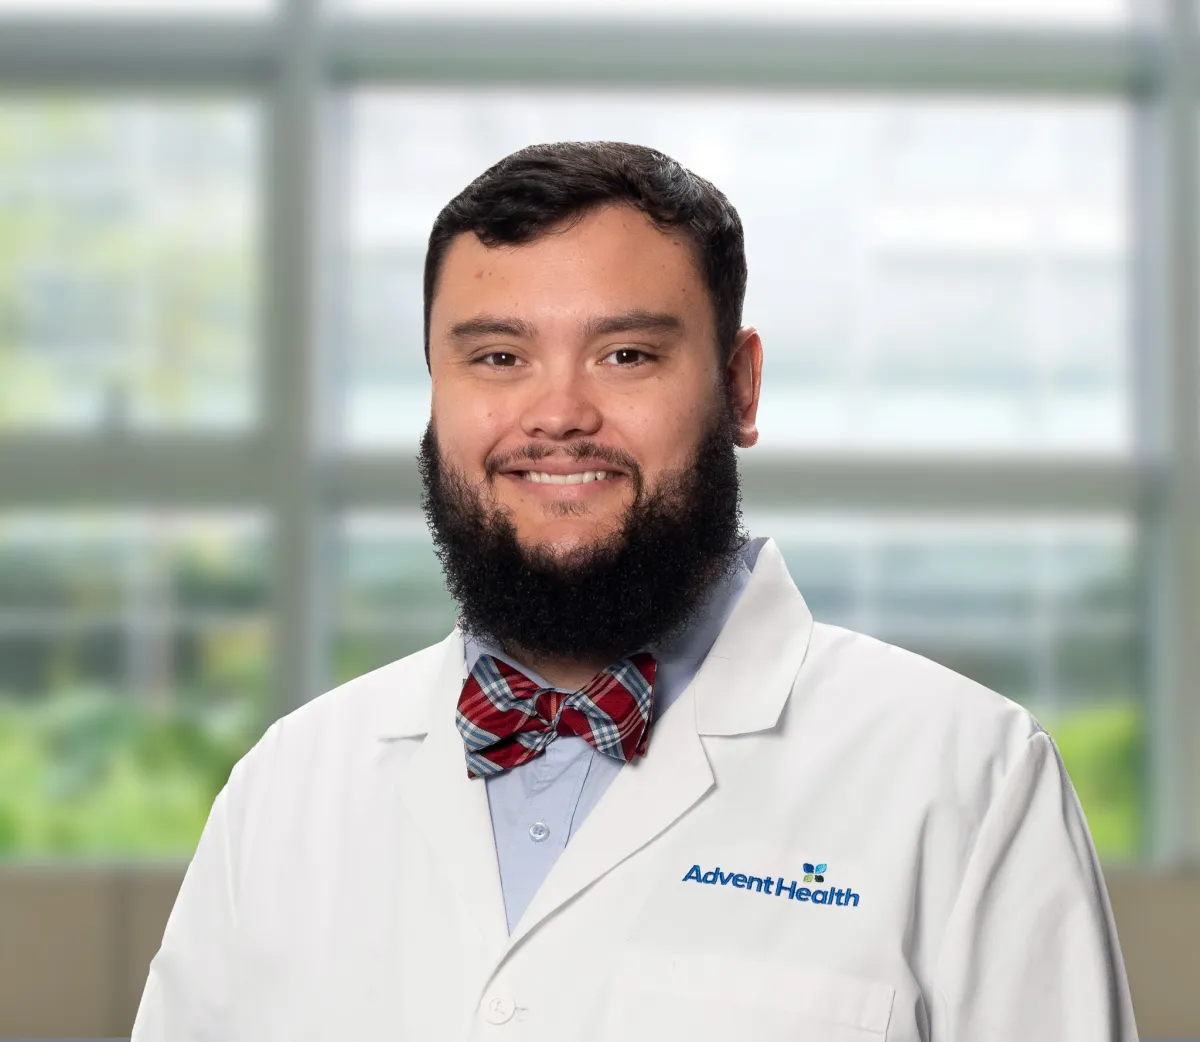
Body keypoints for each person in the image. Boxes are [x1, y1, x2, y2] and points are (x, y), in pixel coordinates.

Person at [131, 141, 1140, 1042]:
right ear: (435, 393)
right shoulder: (287, 790)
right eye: (497, 356)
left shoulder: (967, 779)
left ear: (739, 389)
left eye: (628, 355)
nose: (559, 414)